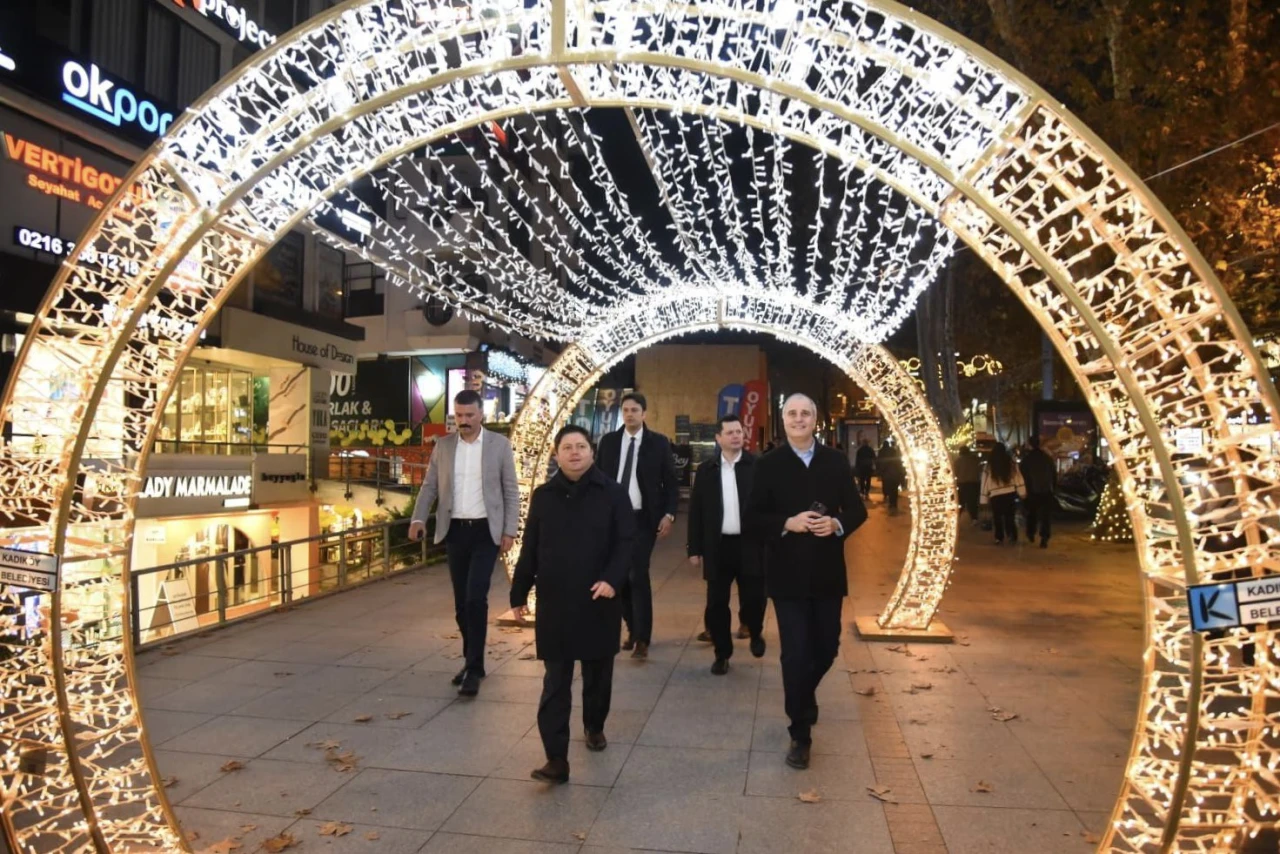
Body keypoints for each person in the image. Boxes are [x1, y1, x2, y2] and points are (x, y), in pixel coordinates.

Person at [746, 393, 866, 770]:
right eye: (792, 414)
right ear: (783, 420)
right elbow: (753, 518)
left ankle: (803, 695)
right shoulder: (768, 465)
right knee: (795, 655)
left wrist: (836, 524)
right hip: (786, 576)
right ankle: (800, 733)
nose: (798, 419)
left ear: (816, 419)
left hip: (828, 572)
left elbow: (857, 509)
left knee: (826, 649)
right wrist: (787, 522)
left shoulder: (834, 461)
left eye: (805, 413)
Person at [511, 425, 635, 784]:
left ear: (592, 452)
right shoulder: (544, 496)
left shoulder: (612, 494)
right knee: (555, 682)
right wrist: (519, 592)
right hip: (556, 601)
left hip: (599, 598)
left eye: (581, 446)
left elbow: (626, 541)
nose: (575, 452)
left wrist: (613, 580)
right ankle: (556, 758)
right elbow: (530, 545)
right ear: (556, 454)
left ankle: (594, 726)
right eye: (567, 447)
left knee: (598, 674)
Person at [410, 389, 519, 697]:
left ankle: (472, 668)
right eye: (458, 416)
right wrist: (418, 519)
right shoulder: (443, 447)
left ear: (481, 414)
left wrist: (509, 530)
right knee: (461, 604)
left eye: (470, 415)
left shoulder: (499, 445)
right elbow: (430, 486)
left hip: (486, 532)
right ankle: (475, 661)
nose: (464, 421)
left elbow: (511, 491)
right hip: (455, 531)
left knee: (475, 598)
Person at [596, 393, 678, 659]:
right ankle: (631, 628)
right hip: (612, 519)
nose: (629, 414)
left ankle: (643, 637)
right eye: (626, 410)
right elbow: (597, 478)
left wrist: (669, 515)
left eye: (634, 410)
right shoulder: (608, 442)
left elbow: (671, 483)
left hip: (643, 518)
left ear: (644, 414)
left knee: (637, 573)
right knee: (620, 576)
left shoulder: (658, 443)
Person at [687, 414, 766, 674]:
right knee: (716, 603)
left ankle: (755, 631)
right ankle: (722, 653)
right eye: (730, 432)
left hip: (750, 545)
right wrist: (694, 549)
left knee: (755, 597)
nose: (736, 436)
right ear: (718, 438)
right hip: (718, 547)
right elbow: (696, 511)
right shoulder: (706, 471)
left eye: (739, 432)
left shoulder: (756, 466)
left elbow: (769, 507)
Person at [980, 442, 1025, 545]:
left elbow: (984, 482)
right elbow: (1018, 478)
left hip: (995, 495)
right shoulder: (1011, 463)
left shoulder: (988, 466)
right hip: (1010, 493)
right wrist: (1022, 492)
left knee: (997, 517)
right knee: (1010, 516)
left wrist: (984, 498)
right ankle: (1011, 535)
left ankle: (999, 537)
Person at [1019, 435, 1057, 548]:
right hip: (1046, 490)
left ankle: (1031, 533)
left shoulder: (1026, 460)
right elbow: (1053, 475)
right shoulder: (1047, 458)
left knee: (1031, 513)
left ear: (1030, 445)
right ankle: (1044, 537)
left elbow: (1022, 476)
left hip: (1031, 491)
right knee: (1045, 516)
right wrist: (1052, 488)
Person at [954, 446, 982, 524]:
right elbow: (979, 470)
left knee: (960, 502)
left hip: (962, 484)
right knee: (972, 502)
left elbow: (955, 472)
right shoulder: (974, 460)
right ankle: (974, 518)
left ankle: (957, 518)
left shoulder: (957, 461)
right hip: (974, 484)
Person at [877, 440, 905, 514]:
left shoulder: (882, 452)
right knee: (894, 490)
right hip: (895, 475)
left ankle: (890, 501)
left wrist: (880, 471)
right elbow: (900, 466)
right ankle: (894, 504)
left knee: (888, 487)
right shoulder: (894, 454)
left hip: (887, 475)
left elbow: (880, 462)